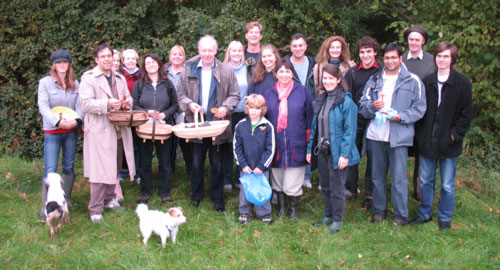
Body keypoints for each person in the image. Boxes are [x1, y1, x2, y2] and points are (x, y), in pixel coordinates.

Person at [359, 43, 426, 226]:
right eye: (387, 58)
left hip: (399, 137)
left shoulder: (412, 81)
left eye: (393, 58)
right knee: (377, 177)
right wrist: (373, 107)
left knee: (398, 179)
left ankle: (400, 215)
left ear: (400, 58)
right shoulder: (374, 79)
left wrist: (401, 117)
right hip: (375, 136)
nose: (390, 61)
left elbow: (419, 109)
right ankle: (379, 211)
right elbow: (362, 105)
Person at [410, 42, 472, 230]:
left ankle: (445, 217)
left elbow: (465, 115)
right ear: (435, 58)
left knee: (447, 184)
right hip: (427, 141)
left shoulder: (462, 83)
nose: (442, 60)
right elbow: (420, 111)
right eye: (439, 56)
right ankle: (425, 213)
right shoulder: (428, 81)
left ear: (452, 59)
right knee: (426, 181)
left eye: (446, 56)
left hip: (449, 143)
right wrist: (420, 136)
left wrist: (454, 136)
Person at [177, 35, 240, 213]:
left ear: (215, 51)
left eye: (210, 50)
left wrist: (226, 108)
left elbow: (235, 94)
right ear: (199, 51)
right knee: (196, 163)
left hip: (216, 124)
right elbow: (180, 94)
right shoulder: (188, 69)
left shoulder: (226, 70)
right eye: (203, 50)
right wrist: (189, 104)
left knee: (217, 163)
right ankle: (196, 196)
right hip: (196, 122)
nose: (206, 54)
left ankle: (217, 198)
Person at [79, 44, 135, 222]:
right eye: (102, 56)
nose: (107, 59)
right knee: (98, 171)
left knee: (115, 166)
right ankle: (95, 210)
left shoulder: (119, 77)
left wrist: (126, 103)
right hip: (99, 130)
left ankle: (110, 199)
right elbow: (86, 104)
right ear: (96, 59)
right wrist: (108, 104)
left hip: (118, 128)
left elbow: (128, 97)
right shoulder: (89, 78)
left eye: (109, 56)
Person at [307, 64, 359, 233]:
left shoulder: (346, 102)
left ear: (338, 80)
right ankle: (328, 215)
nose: (328, 81)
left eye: (331, 78)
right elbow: (314, 128)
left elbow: (349, 132)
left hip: (338, 153)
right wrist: (310, 150)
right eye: (325, 78)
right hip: (322, 150)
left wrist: (344, 155)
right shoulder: (321, 100)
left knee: (337, 188)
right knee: (326, 185)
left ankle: (337, 219)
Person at [263, 59, 313, 220]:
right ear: (275, 74)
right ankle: (281, 208)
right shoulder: (268, 93)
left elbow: (309, 117)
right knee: (277, 178)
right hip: (276, 142)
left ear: (292, 73)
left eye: (287, 71)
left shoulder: (302, 91)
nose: (284, 74)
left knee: (293, 179)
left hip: (296, 141)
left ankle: (293, 210)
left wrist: (308, 143)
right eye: (281, 71)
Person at [37, 49, 83, 221]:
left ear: (69, 64)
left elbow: (80, 106)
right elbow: (43, 105)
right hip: (53, 131)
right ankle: (46, 206)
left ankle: (66, 200)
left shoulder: (75, 84)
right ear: (54, 65)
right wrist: (57, 122)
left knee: (69, 166)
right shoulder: (45, 83)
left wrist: (77, 121)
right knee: (50, 169)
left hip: (70, 131)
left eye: (65, 62)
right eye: (59, 62)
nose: (62, 65)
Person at [133, 54, 178, 204]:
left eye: (153, 62)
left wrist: (165, 114)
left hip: (164, 127)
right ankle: (146, 191)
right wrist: (147, 113)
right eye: (147, 63)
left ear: (159, 65)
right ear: (144, 67)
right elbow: (134, 105)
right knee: (145, 161)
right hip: (144, 127)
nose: (150, 65)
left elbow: (174, 104)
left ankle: (164, 191)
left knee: (165, 161)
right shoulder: (139, 85)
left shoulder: (167, 84)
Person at [344, 36, 383, 208]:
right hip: (356, 119)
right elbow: (346, 96)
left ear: (375, 52)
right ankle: (350, 189)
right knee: (352, 154)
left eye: (369, 51)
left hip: (377, 120)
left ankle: (371, 195)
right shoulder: (352, 72)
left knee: (374, 159)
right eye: (362, 52)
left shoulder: (382, 71)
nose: (365, 55)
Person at [402, 26, 436, 201]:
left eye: (417, 39)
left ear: (423, 41)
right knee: (400, 152)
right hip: (402, 115)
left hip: (425, 115)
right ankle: (398, 189)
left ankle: (420, 190)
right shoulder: (400, 61)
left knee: (422, 153)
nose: (413, 42)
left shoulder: (432, 61)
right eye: (411, 39)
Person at [234, 94, 275, 224]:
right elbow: (236, 147)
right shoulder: (240, 125)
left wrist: (261, 166)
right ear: (247, 108)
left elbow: (271, 148)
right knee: (245, 190)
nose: (254, 111)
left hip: (261, 168)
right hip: (245, 167)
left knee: (261, 189)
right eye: (251, 108)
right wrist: (243, 165)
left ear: (262, 109)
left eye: (257, 108)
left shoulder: (267, 126)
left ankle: (264, 213)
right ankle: (245, 212)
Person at [283, 33, 316, 189]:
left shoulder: (314, 63)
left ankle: (307, 176)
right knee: (291, 140)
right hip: (290, 108)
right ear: (290, 48)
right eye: (294, 46)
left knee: (308, 140)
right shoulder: (284, 63)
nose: (297, 48)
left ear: (305, 47)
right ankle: (289, 172)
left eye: (300, 45)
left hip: (310, 106)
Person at [223, 40, 254, 191]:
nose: (236, 53)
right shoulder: (222, 69)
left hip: (244, 113)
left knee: (242, 147)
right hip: (227, 114)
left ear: (243, 53)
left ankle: (240, 178)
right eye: (233, 50)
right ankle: (227, 179)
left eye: (239, 50)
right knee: (228, 146)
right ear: (228, 52)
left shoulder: (248, 69)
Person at [164, 45, 192, 177]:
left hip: (183, 111)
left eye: (180, 54)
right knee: (169, 144)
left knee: (186, 144)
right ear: (170, 56)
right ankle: (170, 170)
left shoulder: (189, 71)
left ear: (184, 57)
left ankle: (190, 170)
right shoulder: (163, 71)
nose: (177, 57)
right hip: (167, 111)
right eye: (174, 54)